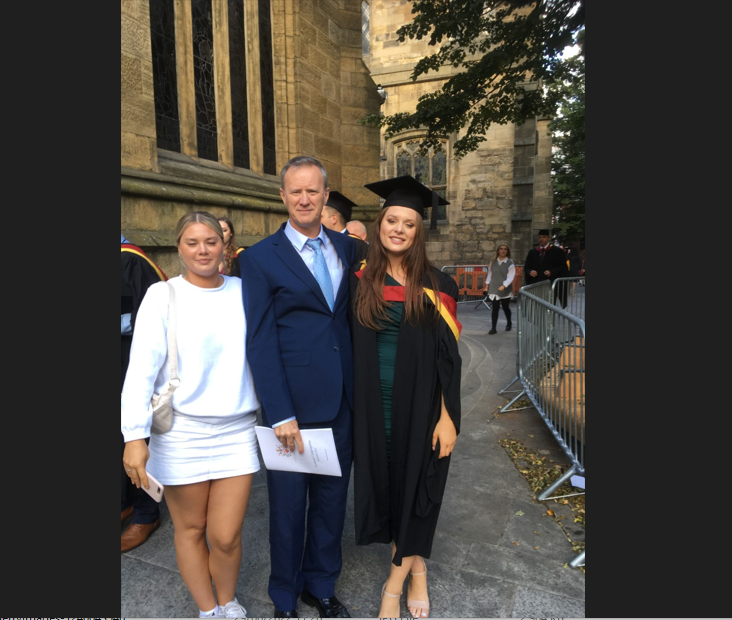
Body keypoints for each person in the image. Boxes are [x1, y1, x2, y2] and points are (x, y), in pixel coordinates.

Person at [122, 212, 260, 619]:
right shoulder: (163, 295)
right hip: (181, 433)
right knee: (191, 529)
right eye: (192, 242)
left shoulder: (244, 291)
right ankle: (208, 610)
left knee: (226, 535)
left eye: (211, 242)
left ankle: (229, 601)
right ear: (179, 247)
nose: (203, 250)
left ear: (224, 247)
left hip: (237, 430)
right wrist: (134, 437)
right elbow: (141, 370)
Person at [240, 156, 359, 618]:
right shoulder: (259, 258)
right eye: (296, 191)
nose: (305, 199)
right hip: (289, 408)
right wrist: (280, 411)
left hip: (342, 401)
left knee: (332, 505)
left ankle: (321, 586)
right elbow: (260, 339)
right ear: (283, 197)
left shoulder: (347, 251)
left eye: (313, 191)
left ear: (326, 196)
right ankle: (285, 597)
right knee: (288, 511)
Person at [351, 175, 462, 619]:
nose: (398, 229)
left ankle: (394, 587)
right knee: (391, 490)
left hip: (420, 407)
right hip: (374, 408)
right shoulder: (359, 280)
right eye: (391, 220)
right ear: (380, 225)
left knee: (418, 489)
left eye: (409, 223)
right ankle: (418, 571)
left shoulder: (441, 285)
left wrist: (448, 416)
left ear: (419, 232)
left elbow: (449, 363)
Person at [121, 234, 167, 552]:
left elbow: (148, 325)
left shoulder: (133, 260)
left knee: (139, 439)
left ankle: (147, 512)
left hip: (128, 366)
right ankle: (124, 502)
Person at [523, 229, 569, 306]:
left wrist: (552, 272)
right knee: (536, 305)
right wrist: (530, 271)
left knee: (549, 306)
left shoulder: (557, 252)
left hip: (550, 284)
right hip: (536, 283)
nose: (541, 239)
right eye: (540, 237)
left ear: (548, 238)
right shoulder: (533, 252)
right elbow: (527, 266)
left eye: (544, 237)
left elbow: (562, 267)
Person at [322, 190, 368, 264]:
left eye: (320, 216)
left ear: (334, 219)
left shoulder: (358, 247)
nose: (315, 220)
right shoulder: (319, 243)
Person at [483, 243, 515, 334]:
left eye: (505, 249)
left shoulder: (510, 263)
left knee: (505, 307)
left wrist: (504, 285)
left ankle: (509, 322)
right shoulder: (493, 262)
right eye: (501, 249)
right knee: (495, 307)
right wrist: (486, 286)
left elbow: (510, 276)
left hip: (505, 289)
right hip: (494, 287)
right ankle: (493, 328)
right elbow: (490, 274)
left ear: (507, 251)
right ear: (498, 250)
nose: (503, 250)